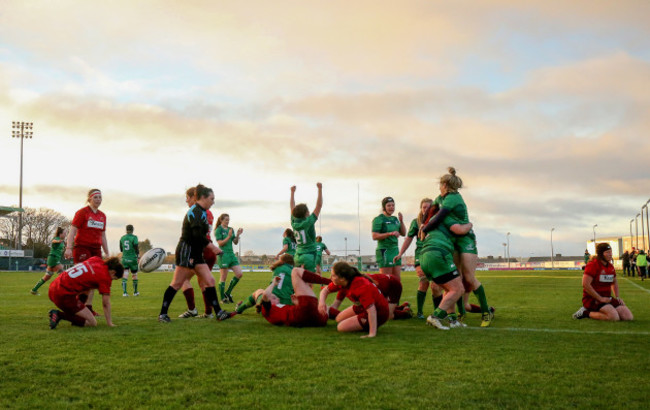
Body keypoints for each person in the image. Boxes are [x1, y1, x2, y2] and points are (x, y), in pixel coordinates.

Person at [422, 167, 493, 327]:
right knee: (456, 278)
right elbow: (430, 211)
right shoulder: (441, 198)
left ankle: (486, 312)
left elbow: (443, 219)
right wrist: (422, 222)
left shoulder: (453, 198)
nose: (439, 188)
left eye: (440, 185)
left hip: (464, 237)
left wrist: (425, 229)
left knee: (468, 277)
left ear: (446, 185)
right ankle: (457, 316)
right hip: (453, 239)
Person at [158, 184, 230, 323]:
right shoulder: (195, 211)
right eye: (211, 198)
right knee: (177, 283)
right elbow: (197, 235)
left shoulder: (203, 212)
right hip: (187, 251)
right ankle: (162, 314)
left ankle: (219, 312)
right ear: (203, 197)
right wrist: (213, 247)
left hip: (196, 251)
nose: (213, 202)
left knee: (210, 281)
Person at [394, 198, 443, 319]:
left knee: (436, 287)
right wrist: (401, 253)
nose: (426, 209)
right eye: (424, 207)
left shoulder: (439, 221)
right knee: (423, 281)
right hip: (421, 256)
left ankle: (438, 313)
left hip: (436, 255)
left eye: (429, 207)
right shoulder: (416, 222)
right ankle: (420, 313)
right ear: (421, 209)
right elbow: (409, 238)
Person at [418, 210, 466, 330]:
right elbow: (461, 231)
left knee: (448, 289)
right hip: (438, 254)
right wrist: (470, 225)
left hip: (424, 256)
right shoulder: (448, 218)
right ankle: (435, 316)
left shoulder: (432, 221)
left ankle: (453, 320)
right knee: (458, 289)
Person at [64, 188, 109, 314]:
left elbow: (103, 236)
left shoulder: (102, 216)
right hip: (82, 248)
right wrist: (69, 248)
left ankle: (88, 308)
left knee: (94, 278)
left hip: (96, 249)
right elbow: (72, 231)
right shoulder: (82, 213)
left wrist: (107, 253)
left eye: (100, 197)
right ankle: (76, 306)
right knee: (82, 278)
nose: (98, 200)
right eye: (95, 197)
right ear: (89, 198)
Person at [47, 256, 124, 329]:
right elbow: (105, 304)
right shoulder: (105, 276)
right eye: (114, 279)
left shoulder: (96, 259)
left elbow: (87, 284)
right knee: (92, 323)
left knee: (88, 288)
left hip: (53, 287)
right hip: (63, 295)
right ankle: (59, 314)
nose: (111, 280)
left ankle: (76, 315)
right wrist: (109, 323)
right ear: (113, 272)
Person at [319, 261, 390, 338]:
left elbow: (372, 311)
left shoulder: (360, 286)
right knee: (338, 319)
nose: (330, 277)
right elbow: (325, 290)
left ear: (342, 278)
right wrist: (321, 303)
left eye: (333, 275)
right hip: (363, 306)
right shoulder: (344, 281)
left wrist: (372, 334)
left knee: (341, 327)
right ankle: (361, 322)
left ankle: (368, 324)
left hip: (379, 313)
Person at [177, 187, 218, 319]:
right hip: (209, 250)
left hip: (201, 249)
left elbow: (197, 235)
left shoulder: (196, 212)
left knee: (183, 279)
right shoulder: (208, 213)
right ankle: (209, 312)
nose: (186, 201)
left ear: (194, 198)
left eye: (188, 198)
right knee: (204, 282)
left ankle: (192, 309)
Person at [572, 243, 633, 321]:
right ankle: (585, 312)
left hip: (607, 298)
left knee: (628, 317)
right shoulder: (593, 265)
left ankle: (601, 309)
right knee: (614, 317)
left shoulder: (610, 266)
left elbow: (614, 282)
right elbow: (585, 284)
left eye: (611, 252)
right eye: (607, 252)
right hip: (592, 299)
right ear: (601, 254)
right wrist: (600, 298)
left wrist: (617, 297)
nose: (610, 254)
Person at [257, 267, 330, 327]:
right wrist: (273, 283)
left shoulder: (277, 309)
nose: (278, 298)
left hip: (308, 319)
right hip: (300, 315)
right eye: (274, 298)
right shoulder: (267, 309)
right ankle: (331, 282)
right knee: (295, 271)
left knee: (326, 308)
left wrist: (296, 303)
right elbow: (265, 295)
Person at [324, 272, 412, 320]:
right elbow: (335, 305)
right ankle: (402, 307)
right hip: (382, 285)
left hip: (393, 285)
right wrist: (325, 310)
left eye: (333, 276)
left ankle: (405, 313)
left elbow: (370, 307)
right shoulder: (342, 286)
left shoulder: (359, 284)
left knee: (388, 316)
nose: (332, 280)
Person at [290, 183, 323, 272]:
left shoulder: (294, 222)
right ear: (306, 214)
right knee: (308, 283)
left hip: (297, 255)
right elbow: (319, 206)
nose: (309, 212)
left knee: (298, 281)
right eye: (308, 211)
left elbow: (292, 207)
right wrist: (320, 189)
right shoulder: (308, 221)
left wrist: (292, 192)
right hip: (309, 255)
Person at [372, 197, 406, 280]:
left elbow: (403, 233)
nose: (391, 207)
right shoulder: (379, 219)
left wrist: (401, 221)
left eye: (393, 205)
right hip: (384, 251)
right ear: (384, 207)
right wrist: (389, 234)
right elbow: (374, 236)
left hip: (395, 250)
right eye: (389, 205)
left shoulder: (395, 219)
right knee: (387, 280)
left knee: (397, 280)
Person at [215, 213, 244, 303]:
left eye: (228, 220)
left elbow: (235, 242)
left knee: (239, 274)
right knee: (223, 277)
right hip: (223, 255)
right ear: (221, 220)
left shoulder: (231, 229)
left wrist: (238, 235)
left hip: (231, 255)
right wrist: (228, 236)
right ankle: (222, 299)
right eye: (226, 220)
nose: (228, 221)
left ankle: (227, 292)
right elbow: (220, 243)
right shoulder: (218, 230)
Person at [31, 227, 66, 295]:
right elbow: (53, 241)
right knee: (63, 275)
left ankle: (34, 290)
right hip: (54, 258)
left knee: (47, 276)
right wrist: (58, 241)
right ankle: (61, 291)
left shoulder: (62, 241)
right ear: (60, 234)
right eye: (64, 233)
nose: (65, 234)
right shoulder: (57, 239)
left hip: (52, 259)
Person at [119, 224, 140, 297]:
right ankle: (135, 292)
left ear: (126, 230)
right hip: (133, 259)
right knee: (134, 275)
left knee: (125, 275)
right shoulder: (134, 237)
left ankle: (124, 292)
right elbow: (136, 247)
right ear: (133, 230)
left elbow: (121, 249)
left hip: (124, 259)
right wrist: (138, 256)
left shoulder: (122, 238)